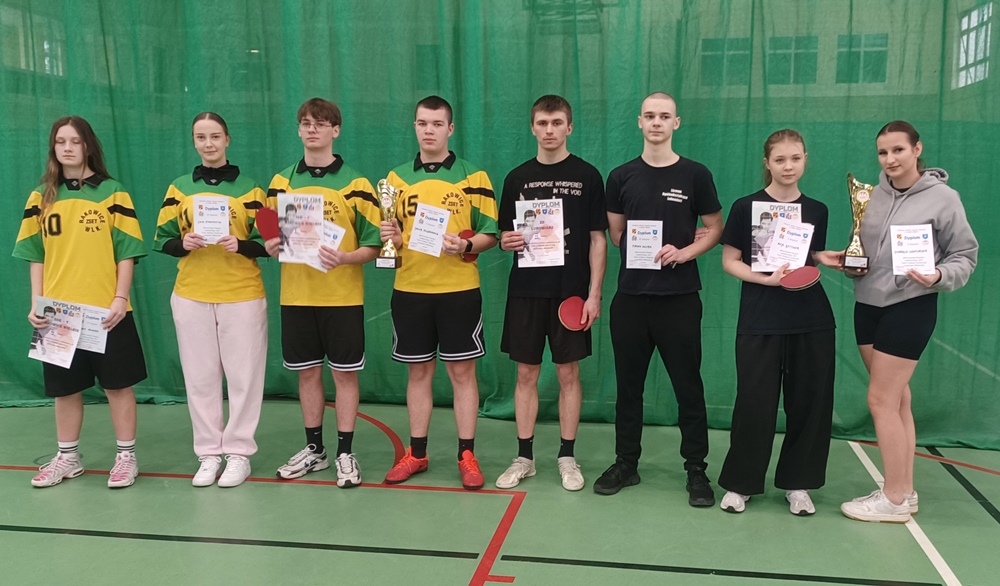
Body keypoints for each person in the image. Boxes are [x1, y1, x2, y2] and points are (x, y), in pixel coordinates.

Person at [838, 121, 977, 523]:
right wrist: (849, 262)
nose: (890, 159)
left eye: (898, 150)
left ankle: (893, 499)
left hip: (911, 306)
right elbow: (865, 248)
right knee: (898, 399)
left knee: (881, 400)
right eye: (883, 152)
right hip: (867, 305)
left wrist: (939, 274)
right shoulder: (871, 195)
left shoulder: (944, 198)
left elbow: (965, 256)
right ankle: (906, 490)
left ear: (917, 149)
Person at [593, 92, 723, 507]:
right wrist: (639, 243)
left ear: (676, 123)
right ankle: (626, 463)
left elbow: (715, 228)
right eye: (649, 115)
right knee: (628, 389)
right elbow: (616, 235)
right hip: (631, 300)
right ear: (639, 121)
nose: (656, 122)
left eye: (664, 116)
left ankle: (696, 469)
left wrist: (685, 252)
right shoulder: (620, 176)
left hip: (679, 299)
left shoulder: (696, 175)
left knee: (689, 388)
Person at [13, 116, 147, 489]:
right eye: (61, 141)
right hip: (58, 313)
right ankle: (68, 457)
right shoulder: (41, 197)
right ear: (53, 147)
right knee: (65, 389)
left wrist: (120, 298)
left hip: (107, 311)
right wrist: (37, 302)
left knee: (118, 386)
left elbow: (126, 252)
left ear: (88, 146)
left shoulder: (113, 193)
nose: (68, 148)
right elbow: (35, 255)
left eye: (75, 141)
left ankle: (126, 457)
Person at [716, 129, 840, 515]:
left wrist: (821, 257)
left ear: (805, 160)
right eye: (780, 159)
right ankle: (741, 484)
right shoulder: (745, 207)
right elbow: (730, 261)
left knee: (809, 403)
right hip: (760, 318)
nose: (789, 166)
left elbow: (803, 256)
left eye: (795, 158)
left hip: (811, 320)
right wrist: (766, 280)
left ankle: (797, 484)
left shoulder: (817, 210)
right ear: (767, 163)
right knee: (754, 404)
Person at [380, 95, 499, 490]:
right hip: (410, 289)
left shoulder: (474, 177)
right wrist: (394, 239)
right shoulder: (394, 180)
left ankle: (467, 454)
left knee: (462, 373)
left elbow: (491, 234)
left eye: (436, 124)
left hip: (458, 291)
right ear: (414, 127)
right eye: (421, 123)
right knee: (418, 372)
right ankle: (417, 453)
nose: (428, 130)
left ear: (450, 129)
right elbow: (391, 241)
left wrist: (465, 245)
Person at [264, 98, 382, 488]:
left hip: (342, 298)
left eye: (320, 123)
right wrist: (271, 245)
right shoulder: (281, 183)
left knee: (344, 376)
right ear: (298, 130)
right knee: (308, 374)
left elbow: (373, 245)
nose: (311, 129)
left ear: (336, 130)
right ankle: (315, 450)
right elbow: (268, 233)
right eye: (305, 123)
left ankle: (346, 452)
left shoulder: (357, 184)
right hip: (297, 296)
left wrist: (345, 257)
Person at [494, 95, 607, 491]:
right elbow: (505, 234)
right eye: (542, 123)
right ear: (532, 128)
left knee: (567, 373)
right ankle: (524, 458)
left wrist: (594, 294)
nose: (549, 130)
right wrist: (506, 241)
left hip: (570, 294)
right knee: (525, 373)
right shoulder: (516, 178)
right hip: (526, 292)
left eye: (557, 123)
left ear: (569, 127)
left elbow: (597, 239)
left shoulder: (588, 176)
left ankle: (567, 457)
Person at [154, 112, 269, 488]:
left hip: (241, 295)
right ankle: (208, 454)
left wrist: (243, 245)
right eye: (201, 137)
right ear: (194, 142)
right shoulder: (179, 188)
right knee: (200, 378)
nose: (209, 143)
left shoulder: (252, 189)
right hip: (192, 294)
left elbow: (269, 242)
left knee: (243, 378)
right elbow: (162, 238)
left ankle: (238, 454)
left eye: (215, 136)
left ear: (227, 139)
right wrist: (182, 243)